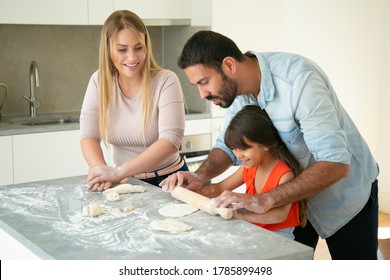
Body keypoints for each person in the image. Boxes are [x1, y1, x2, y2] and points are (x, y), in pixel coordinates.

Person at [160, 30, 379, 260]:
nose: (202, 93)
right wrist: (200, 176)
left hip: (345, 196)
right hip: (295, 201)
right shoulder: (237, 94)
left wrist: (264, 199)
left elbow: (335, 163)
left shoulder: (299, 81)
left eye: (204, 82)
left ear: (229, 65)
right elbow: (226, 148)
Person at [80, 10, 188, 191]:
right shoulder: (98, 82)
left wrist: (118, 172)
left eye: (138, 47)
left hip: (168, 181)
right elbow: (88, 137)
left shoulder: (166, 81)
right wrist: (102, 171)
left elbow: (170, 141)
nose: (132, 57)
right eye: (122, 49)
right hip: (125, 182)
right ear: (108, 50)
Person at [195, 105, 306, 240]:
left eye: (243, 148)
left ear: (265, 144)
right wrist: (191, 188)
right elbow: (218, 188)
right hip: (254, 228)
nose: (238, 155)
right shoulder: (249, 167)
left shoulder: (283, 174)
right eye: (234, 149)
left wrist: (240, 215)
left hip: (278, 235)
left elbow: (279, 216)